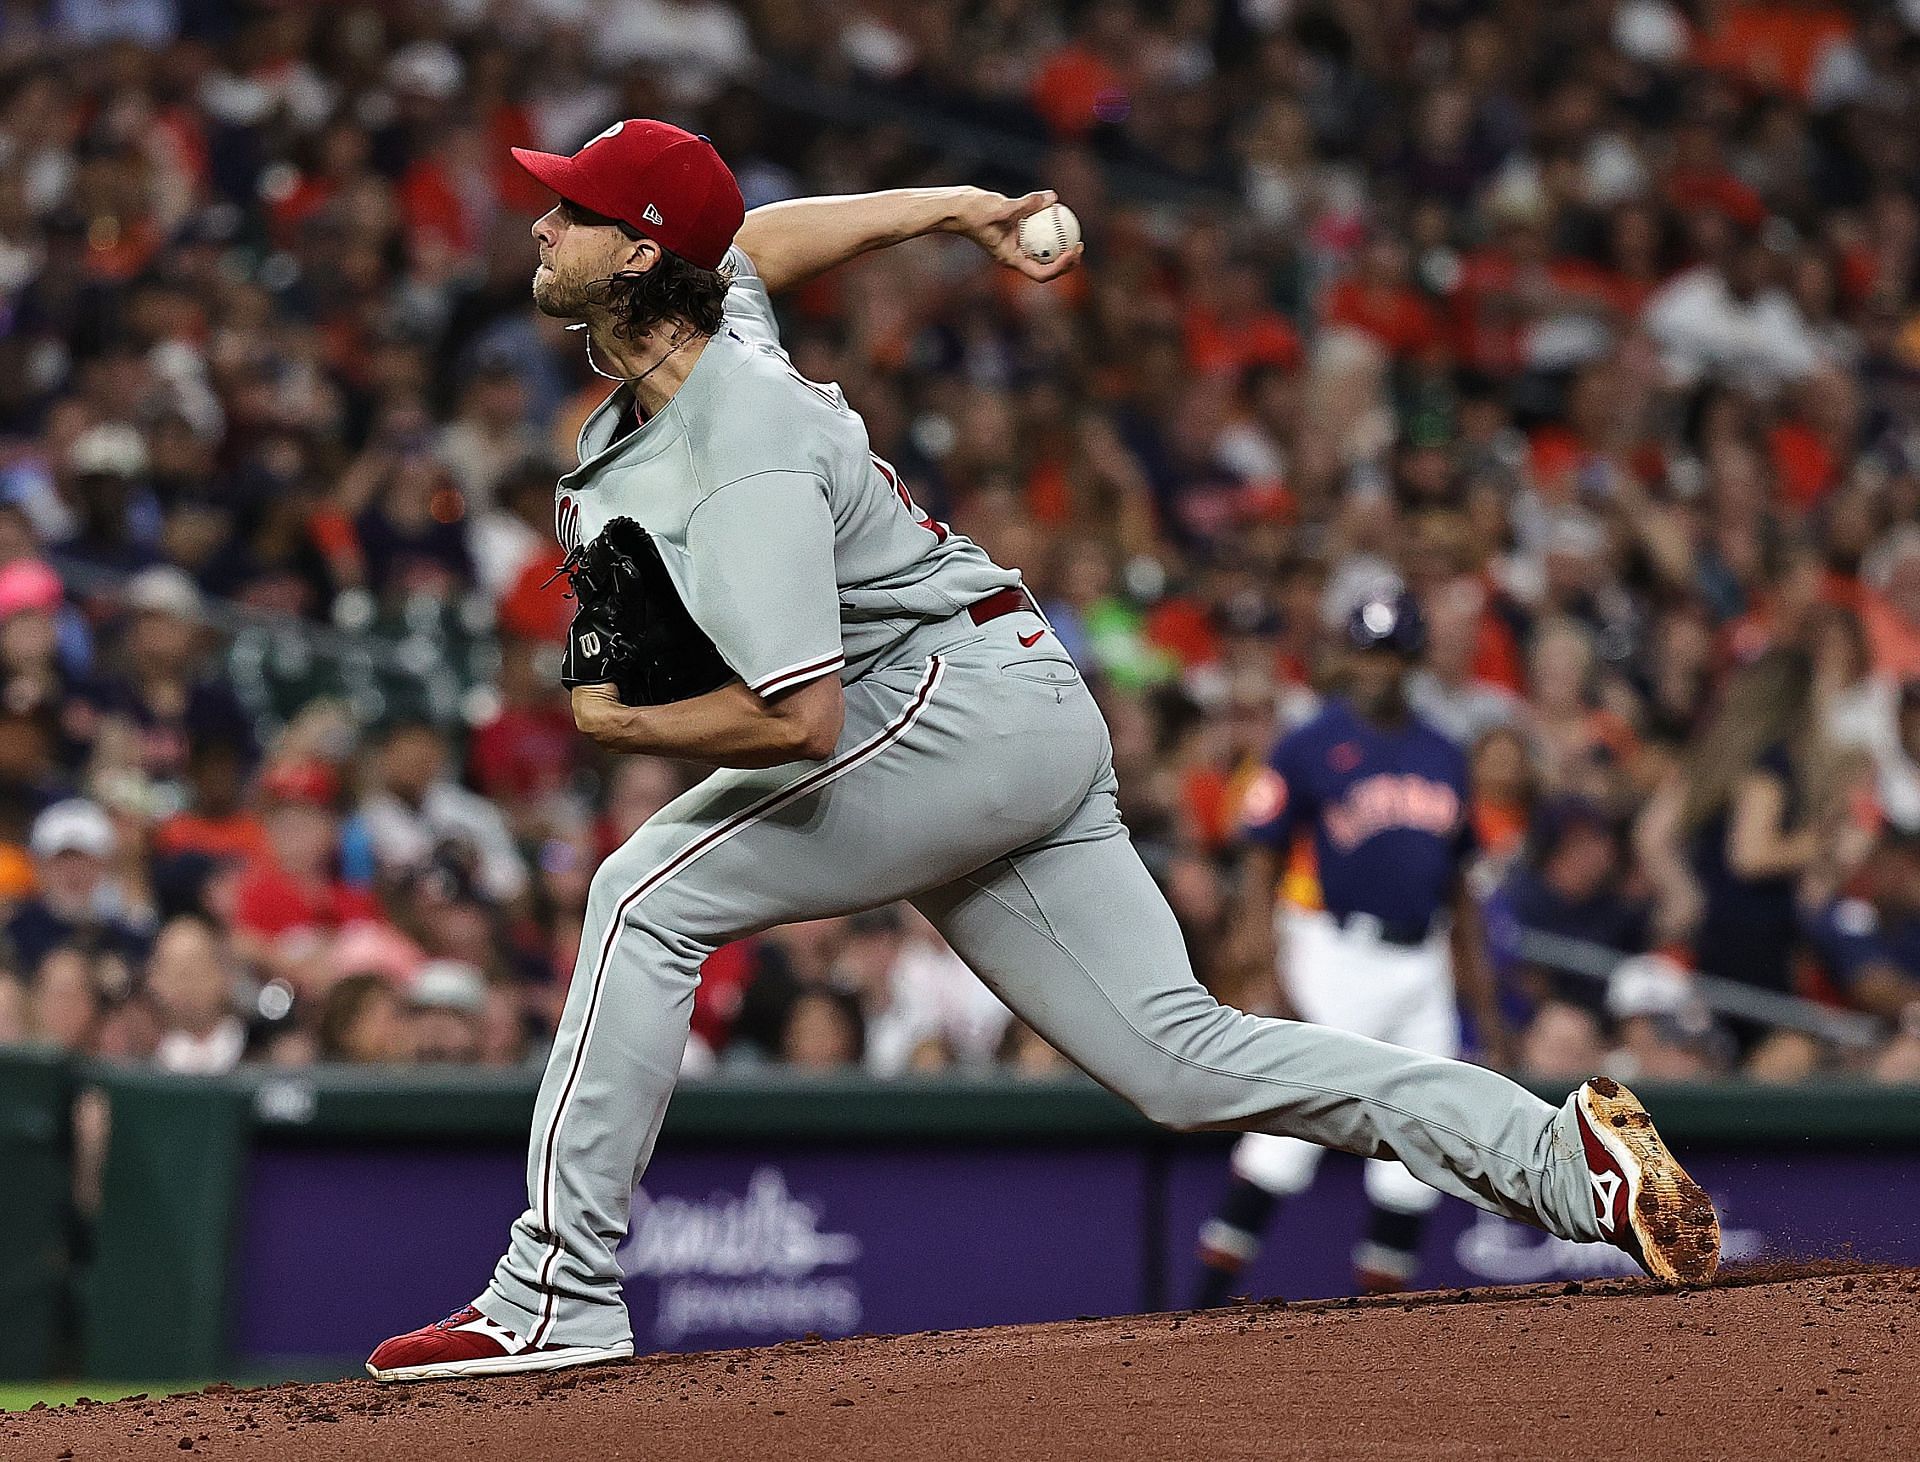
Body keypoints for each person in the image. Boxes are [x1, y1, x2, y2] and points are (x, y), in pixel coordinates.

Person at [366, 121, 1719, 1383]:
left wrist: (620, 725)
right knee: (1183, 1061)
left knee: (644, 891)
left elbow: (801, 722)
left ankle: (555, 1288)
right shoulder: (720, 339)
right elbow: (764, 238)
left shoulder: (745, 444)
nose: (543, 225)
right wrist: (953, 207)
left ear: (645, 255)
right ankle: (1559, 1160)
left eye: (575, 209)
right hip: (1012, 705)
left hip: (942, 703)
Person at [1191, 592, 1509, 1304]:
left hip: (1421, 962)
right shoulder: (1310, 741)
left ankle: (1380, 1326)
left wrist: (1481, 1004)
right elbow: (1260, 857)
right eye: (1368, 652)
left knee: (1415, 1151)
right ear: (1347, 657)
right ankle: (1204, 1306)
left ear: (1414, 659)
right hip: (1335, 955)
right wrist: (1265, 962)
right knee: (1286, 1143)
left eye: (1392, 653)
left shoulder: (1443, 752)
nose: (1378, 668)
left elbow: (1460, 888)